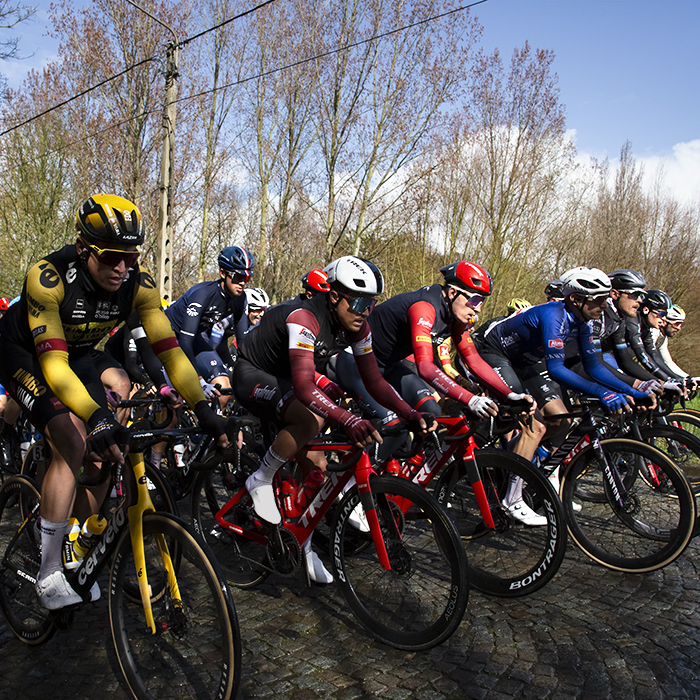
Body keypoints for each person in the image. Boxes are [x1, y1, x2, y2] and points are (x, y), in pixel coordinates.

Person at [0, 193, 230, 610]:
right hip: (27, 354)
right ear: (85, 249)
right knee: (72, 438)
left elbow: (171, 352)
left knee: (114, 426)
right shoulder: (48, 277)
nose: (122, 268)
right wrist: (94, 416)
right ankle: (49, 572)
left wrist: (204, 408)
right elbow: (53, 367)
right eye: (111, 257)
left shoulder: (138, 284)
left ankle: (79, 534)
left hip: (82, 352)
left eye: (130, 256)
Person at [233, 256, 430, 583]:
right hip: (253, 372)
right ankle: (261, 478)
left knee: (318, 466)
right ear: (335, 295)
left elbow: (375, 381)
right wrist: (347, 420)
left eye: (372, 304)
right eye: (360, 302)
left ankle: (301, 538)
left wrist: (409, 412)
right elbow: (304, 385)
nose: (366, 311)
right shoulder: (305, 317)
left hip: (286, 376)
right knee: (311, 420)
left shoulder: (358, 324)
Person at [475, 266, 652, 507]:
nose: (604, 305)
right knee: (534, 425)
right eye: (598, 300)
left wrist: (632, 391)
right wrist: (603, 392)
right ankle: (511, 497)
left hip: (527, 362)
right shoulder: (554, 315)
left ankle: (510, 462)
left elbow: (594, 367)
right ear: (576, 299)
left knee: (562, 420)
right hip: (493, 352)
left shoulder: (585, 322)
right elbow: (557, 369)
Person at [166, 245, 253, 408]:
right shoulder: (202, 294)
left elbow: (243, 341)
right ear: (222, 273)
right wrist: (198, 380)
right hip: (170, 338)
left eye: (246, 278)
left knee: (224, 388)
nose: (242, 282)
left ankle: (211, 429)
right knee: (177, 398)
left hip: (194, 339)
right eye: (237, 276)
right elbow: (184, 340)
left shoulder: (240, 298)